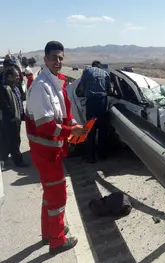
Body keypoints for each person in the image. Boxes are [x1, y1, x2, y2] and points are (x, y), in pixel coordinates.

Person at [25, 41, 88, 255]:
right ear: (45, 59)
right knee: (58, 197)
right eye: (54, 57)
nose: (58, 61)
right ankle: (57, 241)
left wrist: (74, 126)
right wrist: (70, 133)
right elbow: (46, 125)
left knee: (49, 195)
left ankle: (49, 232)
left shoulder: (54, 84)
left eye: (61, 58)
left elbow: (62, 116)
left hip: (53, 151)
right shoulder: (41, 86)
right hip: (46, 154)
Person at [80, 60, 112, 163]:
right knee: (103, 130)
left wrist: (85, 93)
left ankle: (91, 157)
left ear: (92, 65)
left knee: (90, 130)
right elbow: (110, 91)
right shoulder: (105, 73)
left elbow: (81, 87)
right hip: (102, 102)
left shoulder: (87, 71)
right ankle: (102, 155)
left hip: (91, 103)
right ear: (100, 66)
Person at [0, 66, 28, 170]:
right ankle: (18, 161)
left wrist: (22, 115)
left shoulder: (15, 87)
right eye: (16, 76)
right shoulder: (4, 88)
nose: (18, 78)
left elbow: (20, 101)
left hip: (16, 119)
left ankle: (4, 158)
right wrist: (12, 117)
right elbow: (5, 106)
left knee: (11, 141)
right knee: (14, 141)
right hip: (10, 121)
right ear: (9, 77)